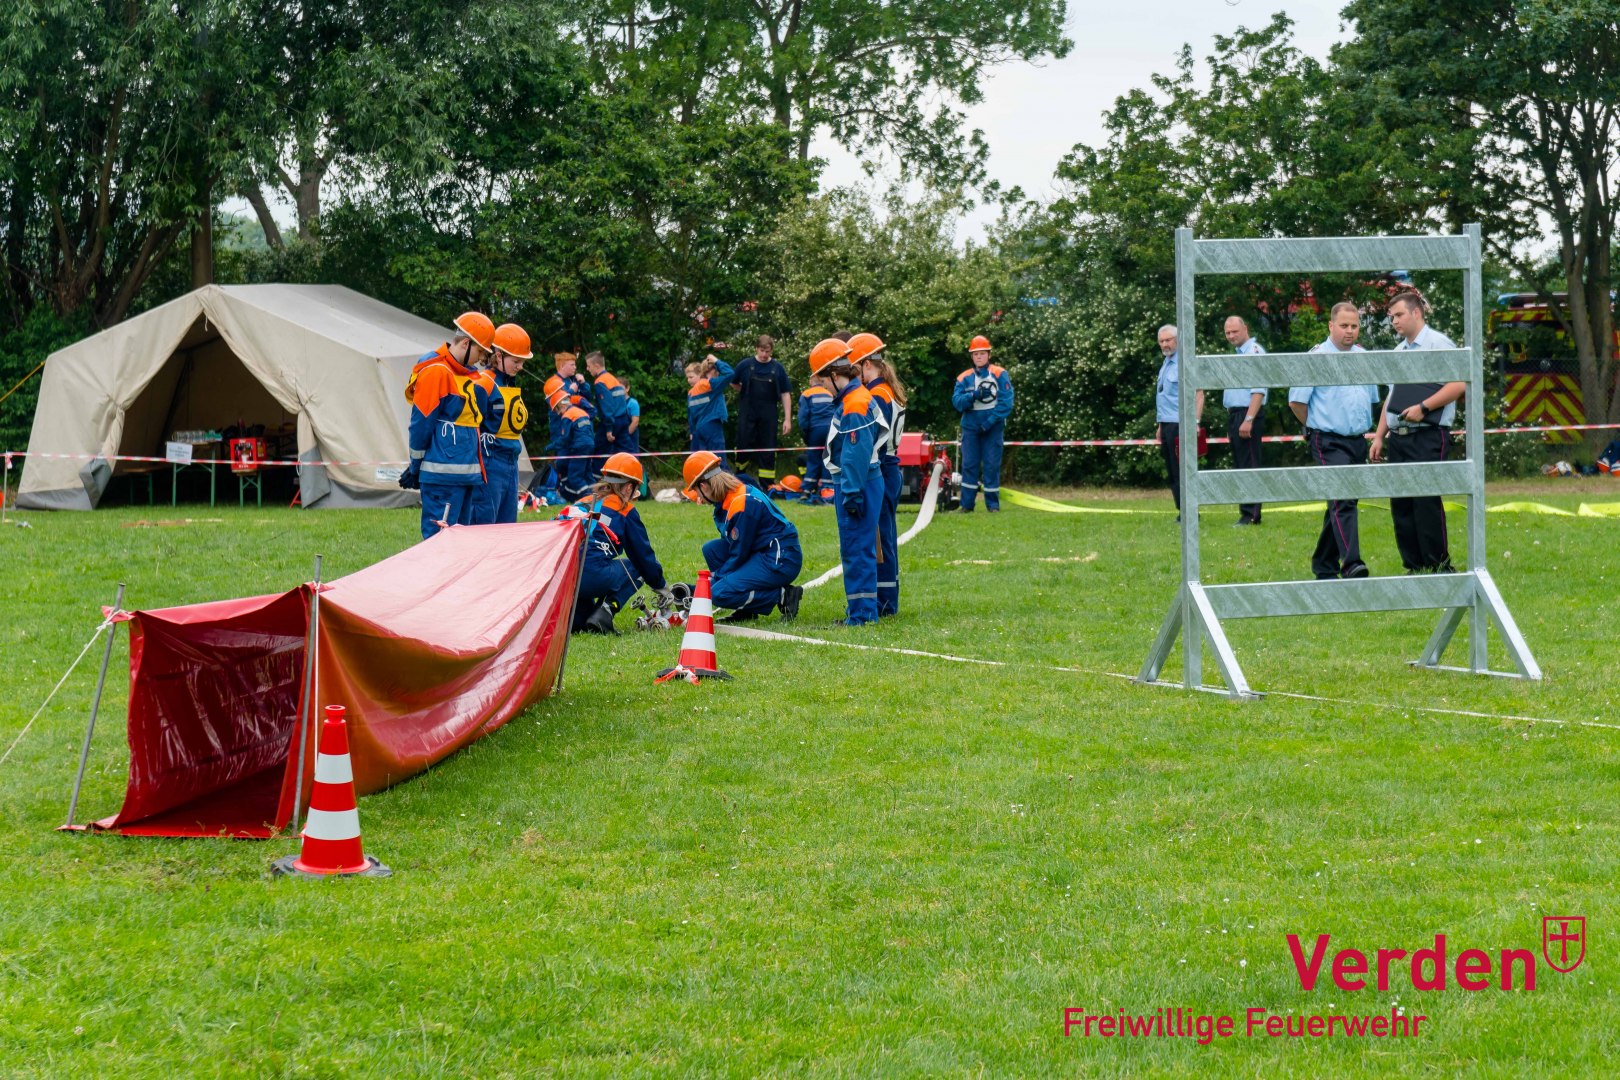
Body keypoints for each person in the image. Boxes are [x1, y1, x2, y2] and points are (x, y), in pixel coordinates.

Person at [1370, 289, 1464, 574]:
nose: (1394, 322)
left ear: (1416, 313)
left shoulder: (1438, 344)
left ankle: (1438, 565)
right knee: (1401, 503)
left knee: (1425, 501)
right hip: (1399, 438)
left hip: (1427, 434)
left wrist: (1423, 407)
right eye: (1391, 317)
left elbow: (1459, 383)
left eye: (1399, 315)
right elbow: (1392, 396)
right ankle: (1414, 566)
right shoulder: (1398, 352)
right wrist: (1379, 435)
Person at [1288, 302, 1381, 580]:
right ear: (1331, 326)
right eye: (1344, 326)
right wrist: (1314, 425)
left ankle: (1323, 564)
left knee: (1343, 500)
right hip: (1327, 439)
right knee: (1343, 500)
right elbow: (1296, 401)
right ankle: (1352, 563)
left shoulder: (1363, 356)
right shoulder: (1317, 357)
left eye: (1354, 326)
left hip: (1357, 440)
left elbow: (1372, 399)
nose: (1349, 331)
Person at [401, 311, 496, 540]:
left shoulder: (467, 376)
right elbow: (421, 425)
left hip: (464, 477)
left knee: (457, 546)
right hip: (442, 478)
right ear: (465, 343)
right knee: (439, 545)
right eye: (480, 352)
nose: (481, 359)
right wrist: (415, 466)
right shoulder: (436, 372)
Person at [813, 337, 887, 626]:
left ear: (834, 374)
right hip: (862, 482)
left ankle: (862, 616)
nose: (821, 388)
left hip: (857, 484)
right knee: (859, 549)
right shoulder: (853, 398)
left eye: (822, 381)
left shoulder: (854, 404)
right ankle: (862, 611)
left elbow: (855, 455)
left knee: (856, 550)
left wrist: (852, 493)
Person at [682, 450, 804, 622]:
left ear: (703, 486)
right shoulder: (729, 497)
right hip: (761, 552)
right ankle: (747, 610)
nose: (699, 500)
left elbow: (738, 555)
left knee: (718, 594)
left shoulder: (741, 503)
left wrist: (707, 587)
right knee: (712, 550)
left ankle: (782, 596)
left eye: (696, 492)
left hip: (779, 559)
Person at [558, 453, 668, 634]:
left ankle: (581, 617)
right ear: (628, 488)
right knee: (636, 566)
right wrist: (661, 586)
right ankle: (606, 610)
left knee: (582, 624)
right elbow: (643, 557)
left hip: (562, 579)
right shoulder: (625, 510)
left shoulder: (581, 502)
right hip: (590, 575)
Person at [852, 332, 905, 616]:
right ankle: (887, 599)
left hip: (883, 467)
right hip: (891, 466)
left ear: (865, 364)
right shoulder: (888, 390)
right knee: (885, 538)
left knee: (880, 541)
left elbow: (874, 439)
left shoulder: (876, 394)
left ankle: (885, 602)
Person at [475, 323, 533, 525]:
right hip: (490, 462)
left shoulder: (509, 383)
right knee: (485, 527)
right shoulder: (483, 383)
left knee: (507, 528)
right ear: (498, 355)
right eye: (516, 361)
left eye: (522, 362)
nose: (520, 367)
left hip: (511, 462)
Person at [952, 335, 1014, 512]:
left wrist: (990, 422)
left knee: (991, 465)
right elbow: (957, 403)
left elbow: (1006, 402)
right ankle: (966, 505)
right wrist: (973, 396)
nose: (979, 357)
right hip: (971, 428)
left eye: (982, 353)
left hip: (993, 428)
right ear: (972, 357)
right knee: (969, 465)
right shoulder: (963, 378)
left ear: (989, 355)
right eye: (975, 354)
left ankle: (992, 506)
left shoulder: (1000, 374)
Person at [1152, 325, 1205, 520]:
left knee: (1183, 471)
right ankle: (1183, 511)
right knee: (1172, 472)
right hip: (1166, 425)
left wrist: (1195, 421)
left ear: (1177, 340)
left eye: (1168, 340)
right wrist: (1160, 426)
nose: (1165, 344)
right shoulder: (1166, 363)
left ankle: (1191, 512)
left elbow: (1199, 394)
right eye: (1162, 341)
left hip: (1181, 425)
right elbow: (1164, 397)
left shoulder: (1185, 362)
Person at [1222, 316, 1268, 526]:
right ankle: (1246, 512)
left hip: (1247, 414)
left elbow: (1258, 390)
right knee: (1240, 465)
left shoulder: (1254, 352)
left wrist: (1248, 419)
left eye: (1235, 332)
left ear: (1245, 328)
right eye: (1228, 333)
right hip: (1236, 415)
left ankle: (1251, 514)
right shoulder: (1237, 355)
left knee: (1250, 464)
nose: (1231, 336)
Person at [731, 335, 792, 486]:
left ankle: (767, 486)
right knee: (742, 446)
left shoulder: (778, 368)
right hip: (748, 413)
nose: (764, 355)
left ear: (772, 351)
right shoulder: (744, 365)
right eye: (762, 350)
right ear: (756, 348)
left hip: (769, 414)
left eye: (768, 351)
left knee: (768, 449)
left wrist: (787, 419)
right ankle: (740, 480)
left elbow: (785, 394)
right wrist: (743, 391)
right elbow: (733, 383)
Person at [585, 351, 630, 474]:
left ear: (596, 366)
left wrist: (609, 429)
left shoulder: (600, 382)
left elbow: (607, 407)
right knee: (625, 454)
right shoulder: (612, 379)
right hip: (623, 420)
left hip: (611, 422)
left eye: (589, 366)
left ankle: (598, 486)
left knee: (599, 453)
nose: (587, 369)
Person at [549, 386, 596, 502]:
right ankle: (598, 497)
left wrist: (552, 446)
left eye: (558, 410)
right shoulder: (581, 412)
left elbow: (565, 438)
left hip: (579, 448)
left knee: (575, 476)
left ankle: (586, 498)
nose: (559, 414)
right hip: (590, 446)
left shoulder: (567, 416)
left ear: (562, 405)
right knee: (587, 475)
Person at [796, 375, 836, 503]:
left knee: (813, 459)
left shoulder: (807, 394)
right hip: (830, 429)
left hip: (815, 429)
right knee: (828, 459)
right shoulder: (830, 393)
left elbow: (803, 417)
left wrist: (805, 433)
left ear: (810, 381)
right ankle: (827, 489)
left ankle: (807, 489)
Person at [686, 354, 735, 457]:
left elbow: (691, 415)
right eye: (716, 370)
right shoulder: (709, 384)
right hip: (712, 425)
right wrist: (716, 360)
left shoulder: (691, 392)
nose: (718, 373)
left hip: (699, 429)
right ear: (711, 371)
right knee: (719, 459)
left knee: (701, 460)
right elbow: (730, 373)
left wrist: (692, 432)